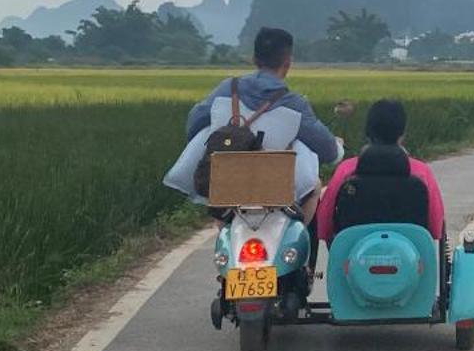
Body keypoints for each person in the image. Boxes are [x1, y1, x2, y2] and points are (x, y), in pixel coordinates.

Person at [168, 26, 344, 211]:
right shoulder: (293, 103)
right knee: (314, 187)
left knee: (220, 200)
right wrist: (337, 148)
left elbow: (195, 124)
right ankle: (305, 239)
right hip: (275, 188)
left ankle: (223, 236)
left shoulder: (227, 89)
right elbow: (327, 149)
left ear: (254, 59)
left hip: (228, 181)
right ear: (288, 62)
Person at [316, 98, 446, 245]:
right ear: (402, 133)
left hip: (352, 259)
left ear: (368, 132)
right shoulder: (421, 172)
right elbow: (436, 229)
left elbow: (324, 226)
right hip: (411, 260)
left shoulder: (346, 170)